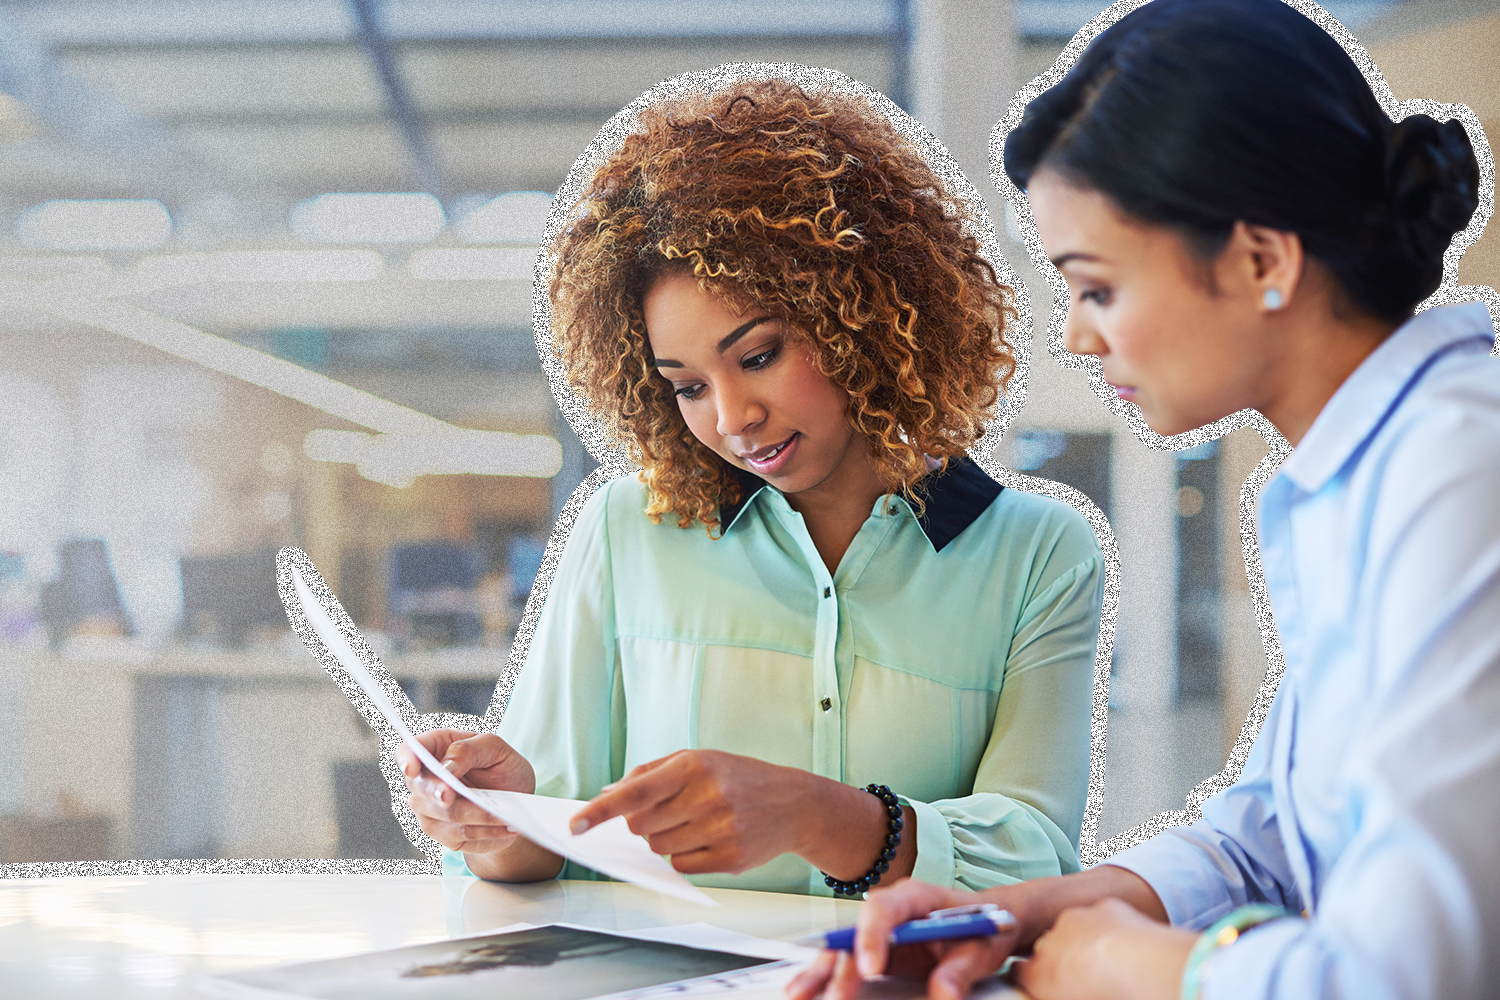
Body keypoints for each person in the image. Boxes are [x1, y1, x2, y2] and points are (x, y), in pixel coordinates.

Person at [788, 0, 1495, 997]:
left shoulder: (1460, 472)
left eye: (1098, 288)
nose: (1079, 337)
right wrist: (1041, 909)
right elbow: (1274, 834)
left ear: (1261, 258)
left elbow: (1412, 975)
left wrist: (1136, 966)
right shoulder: (1358, 473)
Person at [395, 78, 1107, 897]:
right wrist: (495, 819)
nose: (733, 418)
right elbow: (544, 844)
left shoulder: (1037, 555)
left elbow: (1037, 855)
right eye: (688, 386)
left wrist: (819, 816)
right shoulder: (627, 529)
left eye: (760, 355)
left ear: (864, 312)